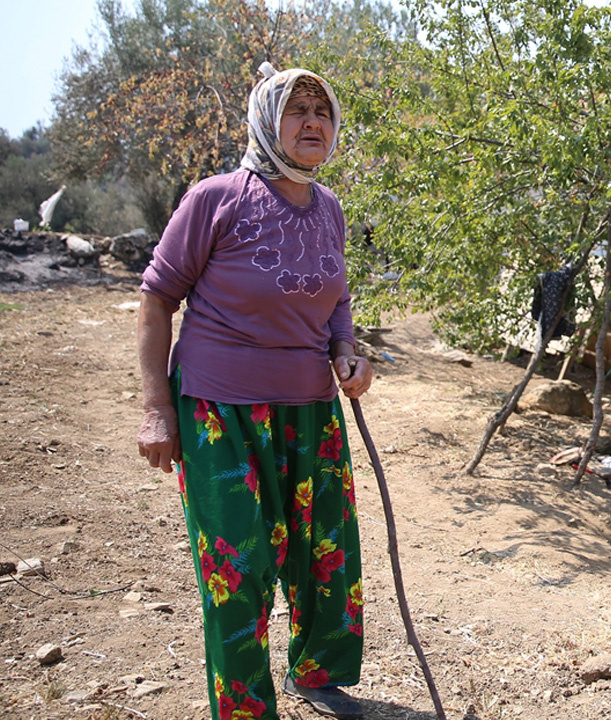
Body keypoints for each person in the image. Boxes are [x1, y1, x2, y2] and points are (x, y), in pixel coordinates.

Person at [136, 62, 372, 720]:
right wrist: (158, 408)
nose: (312, 123)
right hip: (219, 411)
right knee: (237, 568)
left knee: (325, 552)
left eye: (322, 112)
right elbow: (156, 299)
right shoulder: (217, 198)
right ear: (267, 121)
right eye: (296, 110)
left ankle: (318, 673)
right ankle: (244, 708)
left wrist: (348, 355)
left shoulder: (329, 209)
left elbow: (336, 304)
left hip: (310, 413)